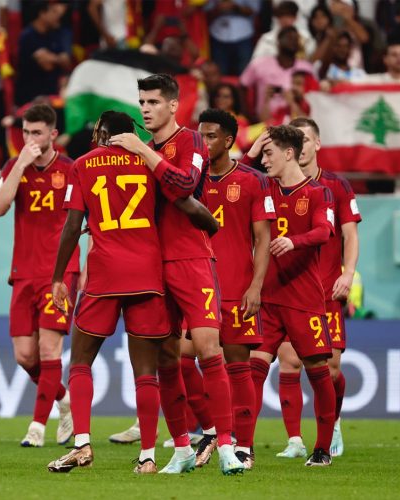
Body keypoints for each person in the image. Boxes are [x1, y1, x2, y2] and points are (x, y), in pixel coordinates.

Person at [109, 74, 244, 475]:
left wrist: (142, 152)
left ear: (172, 106)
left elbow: (184, 186)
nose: (146, 108)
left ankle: (225, 446)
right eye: (142, 102)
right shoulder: (141, 149)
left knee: (208, 349)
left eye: (153, 101)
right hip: (150, 265)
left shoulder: (191, 141)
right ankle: (183, 447)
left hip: (191, 260)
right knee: (166, 359)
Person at [46, 111, 171, 474]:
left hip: (104, 276)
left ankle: (82, 445)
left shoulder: (84, 164)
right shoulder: (150, 163)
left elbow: (72, 226)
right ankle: (148, 456)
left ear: (101, 133)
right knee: (146, 371)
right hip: (147, 273)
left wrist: (58, 278)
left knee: (81, 362)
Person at [266, 117, 361, 460]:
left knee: (329, 369)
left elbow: (349, 235)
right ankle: (294, 439)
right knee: (288, 362)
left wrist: (348, 273)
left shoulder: (335, 186)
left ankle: (332, 423)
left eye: (306, 139)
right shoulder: (271, 185)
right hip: (286, 292)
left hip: (326, 290)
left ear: (316, 144)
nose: (301, 146)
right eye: (295, 140)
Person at [244, 125, 337, 467]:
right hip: (266, 299)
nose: (264, 160)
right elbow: (230, 176)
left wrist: (294, 241)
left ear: (287, 154)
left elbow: (324, 231)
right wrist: (253, 150)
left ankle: (322, 448)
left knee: (317, 370)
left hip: (303, 300)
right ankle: (245, 447)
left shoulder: (318, 193)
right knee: (252, 370)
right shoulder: (263, 187)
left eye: (269, 154)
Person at [0, 104, 77, 448]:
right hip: (23, 271)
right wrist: (21, 165)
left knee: (49, 346)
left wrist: (79, 270)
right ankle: (63, 399)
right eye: (26, 132)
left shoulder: (72, 169)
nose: (30, 139)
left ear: (53, 134)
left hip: (59, 273)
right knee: (26, 356)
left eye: (37, 132)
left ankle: (37, 427)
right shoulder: (15, 166)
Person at [198, 108, 275, 469]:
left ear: (228, 140)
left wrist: (256, 286)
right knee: (180, 359)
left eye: (211, 135)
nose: (203, 142)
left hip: (236, 287)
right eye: (201, 135)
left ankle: (243, 445)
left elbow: (263, 238)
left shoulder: (252, 180)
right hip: (196, 287)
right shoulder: (189, 179)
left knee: (237, 367)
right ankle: (213, 432)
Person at [240, 26, 315, 121]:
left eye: (296, 39)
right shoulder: (259, 63)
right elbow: (242, 86)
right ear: (278, 42)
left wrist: (294, 98)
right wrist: (247, 115)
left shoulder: (306, 68)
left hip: (297, 123)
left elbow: (313, 97)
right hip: (264, 123)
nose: (293, 41)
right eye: (289, 38)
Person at [15, 1, 70, 106]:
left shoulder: (54, 34)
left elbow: (66, 62)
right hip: (31, 96)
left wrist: (52, 58)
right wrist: (58, 59)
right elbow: (47, 66)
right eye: (53, 11)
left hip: (52, 94)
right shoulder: (28, 36)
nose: (57, 15)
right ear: (42, 14)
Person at [205, 0, 261, 76]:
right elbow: (205, 9)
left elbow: (255, 10)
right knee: (219, 74)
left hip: (243, 35)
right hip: (218, 34)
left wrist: (235, 7)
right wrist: (218, 7)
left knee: (244, 74)